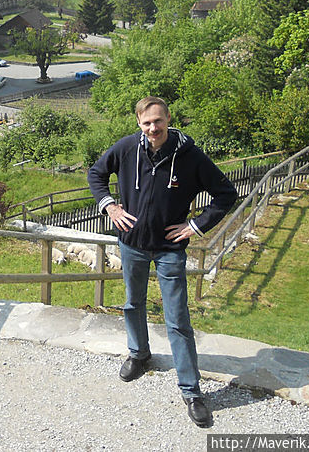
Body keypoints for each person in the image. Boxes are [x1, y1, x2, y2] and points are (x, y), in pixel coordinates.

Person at [87, 96, 236, 427]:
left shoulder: (190, 157)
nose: (153, 128)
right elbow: (96, 174)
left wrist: (194, 226)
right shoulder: (127, 148)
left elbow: (226, 194)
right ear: (138, 124)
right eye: (146, 123)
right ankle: (139, 355)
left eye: (158, 121)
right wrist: (110, 206)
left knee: (178, 319)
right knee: (131, 303)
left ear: (168, 119)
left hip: (170, 250)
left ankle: (191, 391)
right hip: (132, 245)